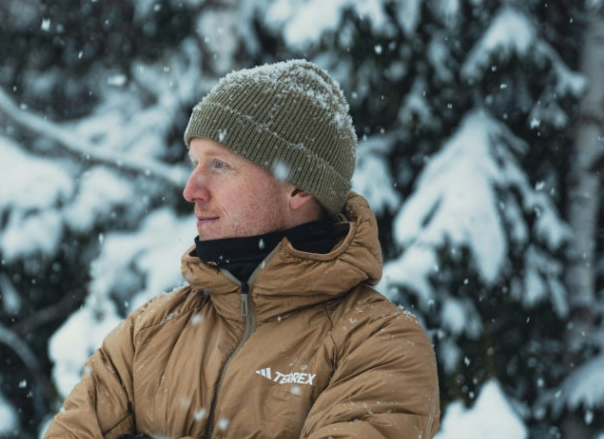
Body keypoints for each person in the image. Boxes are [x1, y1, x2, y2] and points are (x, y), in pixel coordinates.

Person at [44, 60, 441, 438]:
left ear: (300, 187)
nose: (191, 189)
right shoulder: (148, 334)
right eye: (195, 163)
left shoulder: (380, 345)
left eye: (218, 165)